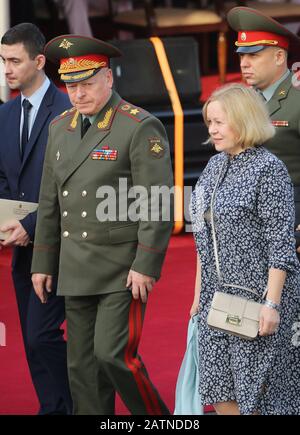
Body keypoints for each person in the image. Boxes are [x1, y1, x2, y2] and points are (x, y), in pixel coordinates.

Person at [31, 34, 173, 415]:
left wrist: (146, 264)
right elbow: (51, 200)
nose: (78, 94)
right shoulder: (59, 126)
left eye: (87, 83)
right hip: (75, 266)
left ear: (108, 79)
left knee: (113, 356)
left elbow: (156, 202)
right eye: (71, 85)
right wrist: (43, 261)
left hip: (120, 267)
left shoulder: (138, 126)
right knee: (82, 368)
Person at [189, 83, 300, 415]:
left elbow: (281, 244)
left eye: (220, 122)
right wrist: (198, 298)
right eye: (210, 122)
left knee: (259, 396)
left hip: (257, 299)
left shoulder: (269, 169)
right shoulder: (213, 166)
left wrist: (272, 304)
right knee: (220, 386)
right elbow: (202, 238)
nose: (212, 130)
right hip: (215, 298)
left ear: (243, 119)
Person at [0, 23, 72, 415]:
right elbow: (2, 176)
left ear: (39, 61)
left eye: (14, 61)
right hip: (21, 249)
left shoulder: (68, 110)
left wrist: (28, 226)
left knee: (41, 335)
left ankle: (76, 405)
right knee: (30, 340)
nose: (6, 69)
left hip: (63, 245)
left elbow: (72, 187)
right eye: (3, 61)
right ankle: (56, 407)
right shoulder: (6, 113)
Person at [227, 6, 300, 252]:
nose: (244, 63)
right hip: (249, 217)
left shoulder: (297, 98)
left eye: (254, 55)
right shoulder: (242, 100)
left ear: (280, 57)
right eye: (241, 56)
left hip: (292, 215)